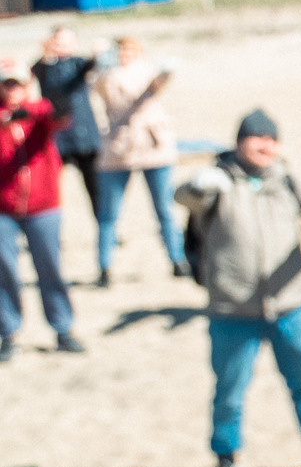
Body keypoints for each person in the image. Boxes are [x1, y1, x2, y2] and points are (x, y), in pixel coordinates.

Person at [177, 111, 301, 467]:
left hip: (291, 307)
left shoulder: (286, 179)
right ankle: (226, 463)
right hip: (232, 311)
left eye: (271, 139)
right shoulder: (220, 180)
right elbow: (185, 197)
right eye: (256, 138)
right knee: (229, 393)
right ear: (239, 141)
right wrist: (199, 183)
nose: (264, 145)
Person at [0, 58, 82, 359]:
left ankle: (63, 328)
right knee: (5, 272)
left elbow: (59, 114)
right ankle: (9, 333)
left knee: (50, 267)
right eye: (6, 83)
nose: (12, 89)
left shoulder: (39, 113)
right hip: (4, 208)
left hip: (43, 206)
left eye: (17, 83)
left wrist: (22, 113)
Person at [91, 35, 186, 284]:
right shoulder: (106, 75)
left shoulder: (146, 71)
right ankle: (104, 267)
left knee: (164, 207)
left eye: (130, 50)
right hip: (119, 147)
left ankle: (178, 259)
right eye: (121, 51)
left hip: (152, 144)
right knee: (109, 212)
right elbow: (99, 87)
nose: (125, 55)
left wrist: (168, 70)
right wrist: (101, 62)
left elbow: (157, 83)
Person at [32, 27, 104, 226]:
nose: (62, 45)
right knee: (48, 188)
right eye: (58, 41)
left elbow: (90, 67)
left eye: (66, 41)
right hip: (56, 139)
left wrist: (97, 54)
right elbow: (34, 73)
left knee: (96, 190)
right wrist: (46, 54)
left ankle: (105, 231)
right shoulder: (44, 67)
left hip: (84, 137)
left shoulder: (78, 63)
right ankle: (45, 230)